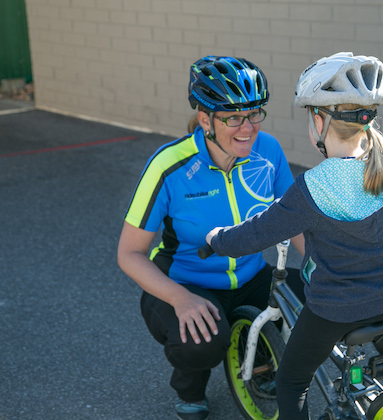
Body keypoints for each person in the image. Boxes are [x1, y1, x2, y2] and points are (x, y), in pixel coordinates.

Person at [206, 52, 383, 419]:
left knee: (292, 379)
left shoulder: (313, 187)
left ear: (320, 121)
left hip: (336, 309)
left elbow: (257, 233)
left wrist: (217, 240)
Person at [117, 55, 304, 420]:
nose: (247, 128)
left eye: (254, 113)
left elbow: (294, 219)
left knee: (315, 298)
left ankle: (263, 361)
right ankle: (191, 387)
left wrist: (323, 268)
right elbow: (129, 254)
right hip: (186, 280)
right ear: (205, 119)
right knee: (202, 339)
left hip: (251, 274)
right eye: (233, 117)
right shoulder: (169, 166)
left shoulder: (269, 151)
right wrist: (180, 298)